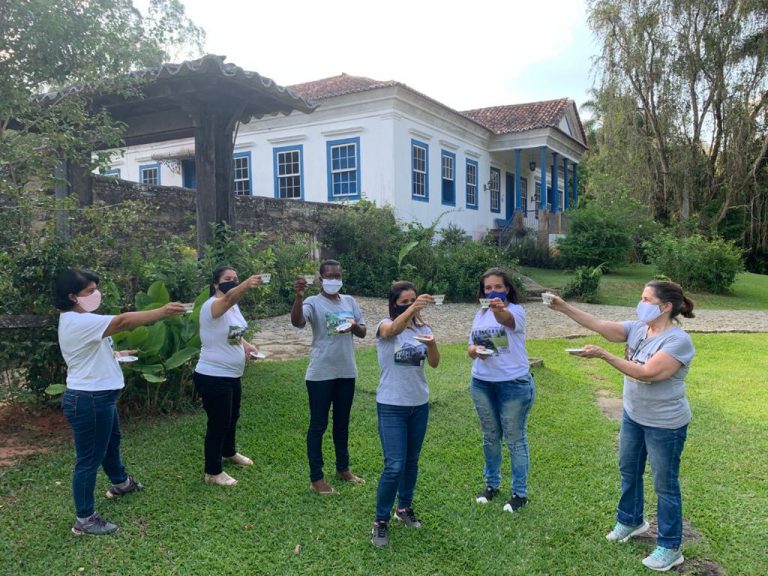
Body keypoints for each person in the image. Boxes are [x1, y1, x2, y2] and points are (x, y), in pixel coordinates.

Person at [546, 280, 695, 572]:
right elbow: (600, 324)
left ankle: (670, 547)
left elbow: (648, 374)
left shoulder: (678, 341)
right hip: (633, 416)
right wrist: (563, 307)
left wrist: (604, 355)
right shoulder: (640, 327)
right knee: (629, 470)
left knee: (664, 485)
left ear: (665, 307)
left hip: (665, 425)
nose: (640, 303)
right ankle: (631, 521)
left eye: (646, 298)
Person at [55, 268, 186, 535]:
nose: (95, 295)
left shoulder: (81, 319)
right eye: (89, 292)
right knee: (88, 459)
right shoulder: (77, 322)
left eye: (95, 289)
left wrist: (117, 353)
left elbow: (88, 351)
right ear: (71, 296)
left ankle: (120, 483)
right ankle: (85, 519)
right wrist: (162, 311)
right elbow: (124, 321)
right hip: (89, 399)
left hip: (99, 396)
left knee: (111, 442)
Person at [371, 281, 440, 548]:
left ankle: (404, 508)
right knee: (394, 466)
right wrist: (411, 309)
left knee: (411, 461)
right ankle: (380, 521)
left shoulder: (423, 329)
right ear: (395, 303)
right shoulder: (384, 325)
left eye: (415, 300)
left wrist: (432, 344)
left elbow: (434, 363)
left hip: (418, 404)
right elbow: (393, 329)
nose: (412, 304)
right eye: (405, 301)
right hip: (391, 405)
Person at [291, 260, 366, 494]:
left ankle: (343, 468)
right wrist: (298, 297)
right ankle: (317, 478)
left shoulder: (349, 301)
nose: (334, 279)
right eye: (329, 276)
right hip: (321, 373)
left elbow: (363, 332)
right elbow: (298, 322)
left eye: (338, 275)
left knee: (342, 423)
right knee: (318, 425)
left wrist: (353, 325)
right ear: (321, 278)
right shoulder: (313, 302)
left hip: (346, 371)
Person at [468, 267, 535, 514]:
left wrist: (498, 309)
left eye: (498, 286)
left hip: (513, 384)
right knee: (490, 437)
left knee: (515, 439)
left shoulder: (515, 311)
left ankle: (519, 493)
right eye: (488, 288)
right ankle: (491, 485)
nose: (493, 291)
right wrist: (475, 352)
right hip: (482, 382)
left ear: (507, 288)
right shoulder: (479, 313)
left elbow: (505, 320)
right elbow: (471, 347)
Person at [193, 266, 263, 486]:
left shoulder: (234, 308)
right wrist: (244, 285)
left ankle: (229, 452)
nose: (232, 281)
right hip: (213, 375)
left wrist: (247, 347)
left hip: (232, 374)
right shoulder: (212, 305)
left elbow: (234, 334)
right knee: (218, 422)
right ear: (216, 284)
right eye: (227, 279)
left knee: (233, 416)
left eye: (236, 278)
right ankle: (212, 472)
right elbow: (227, 301)